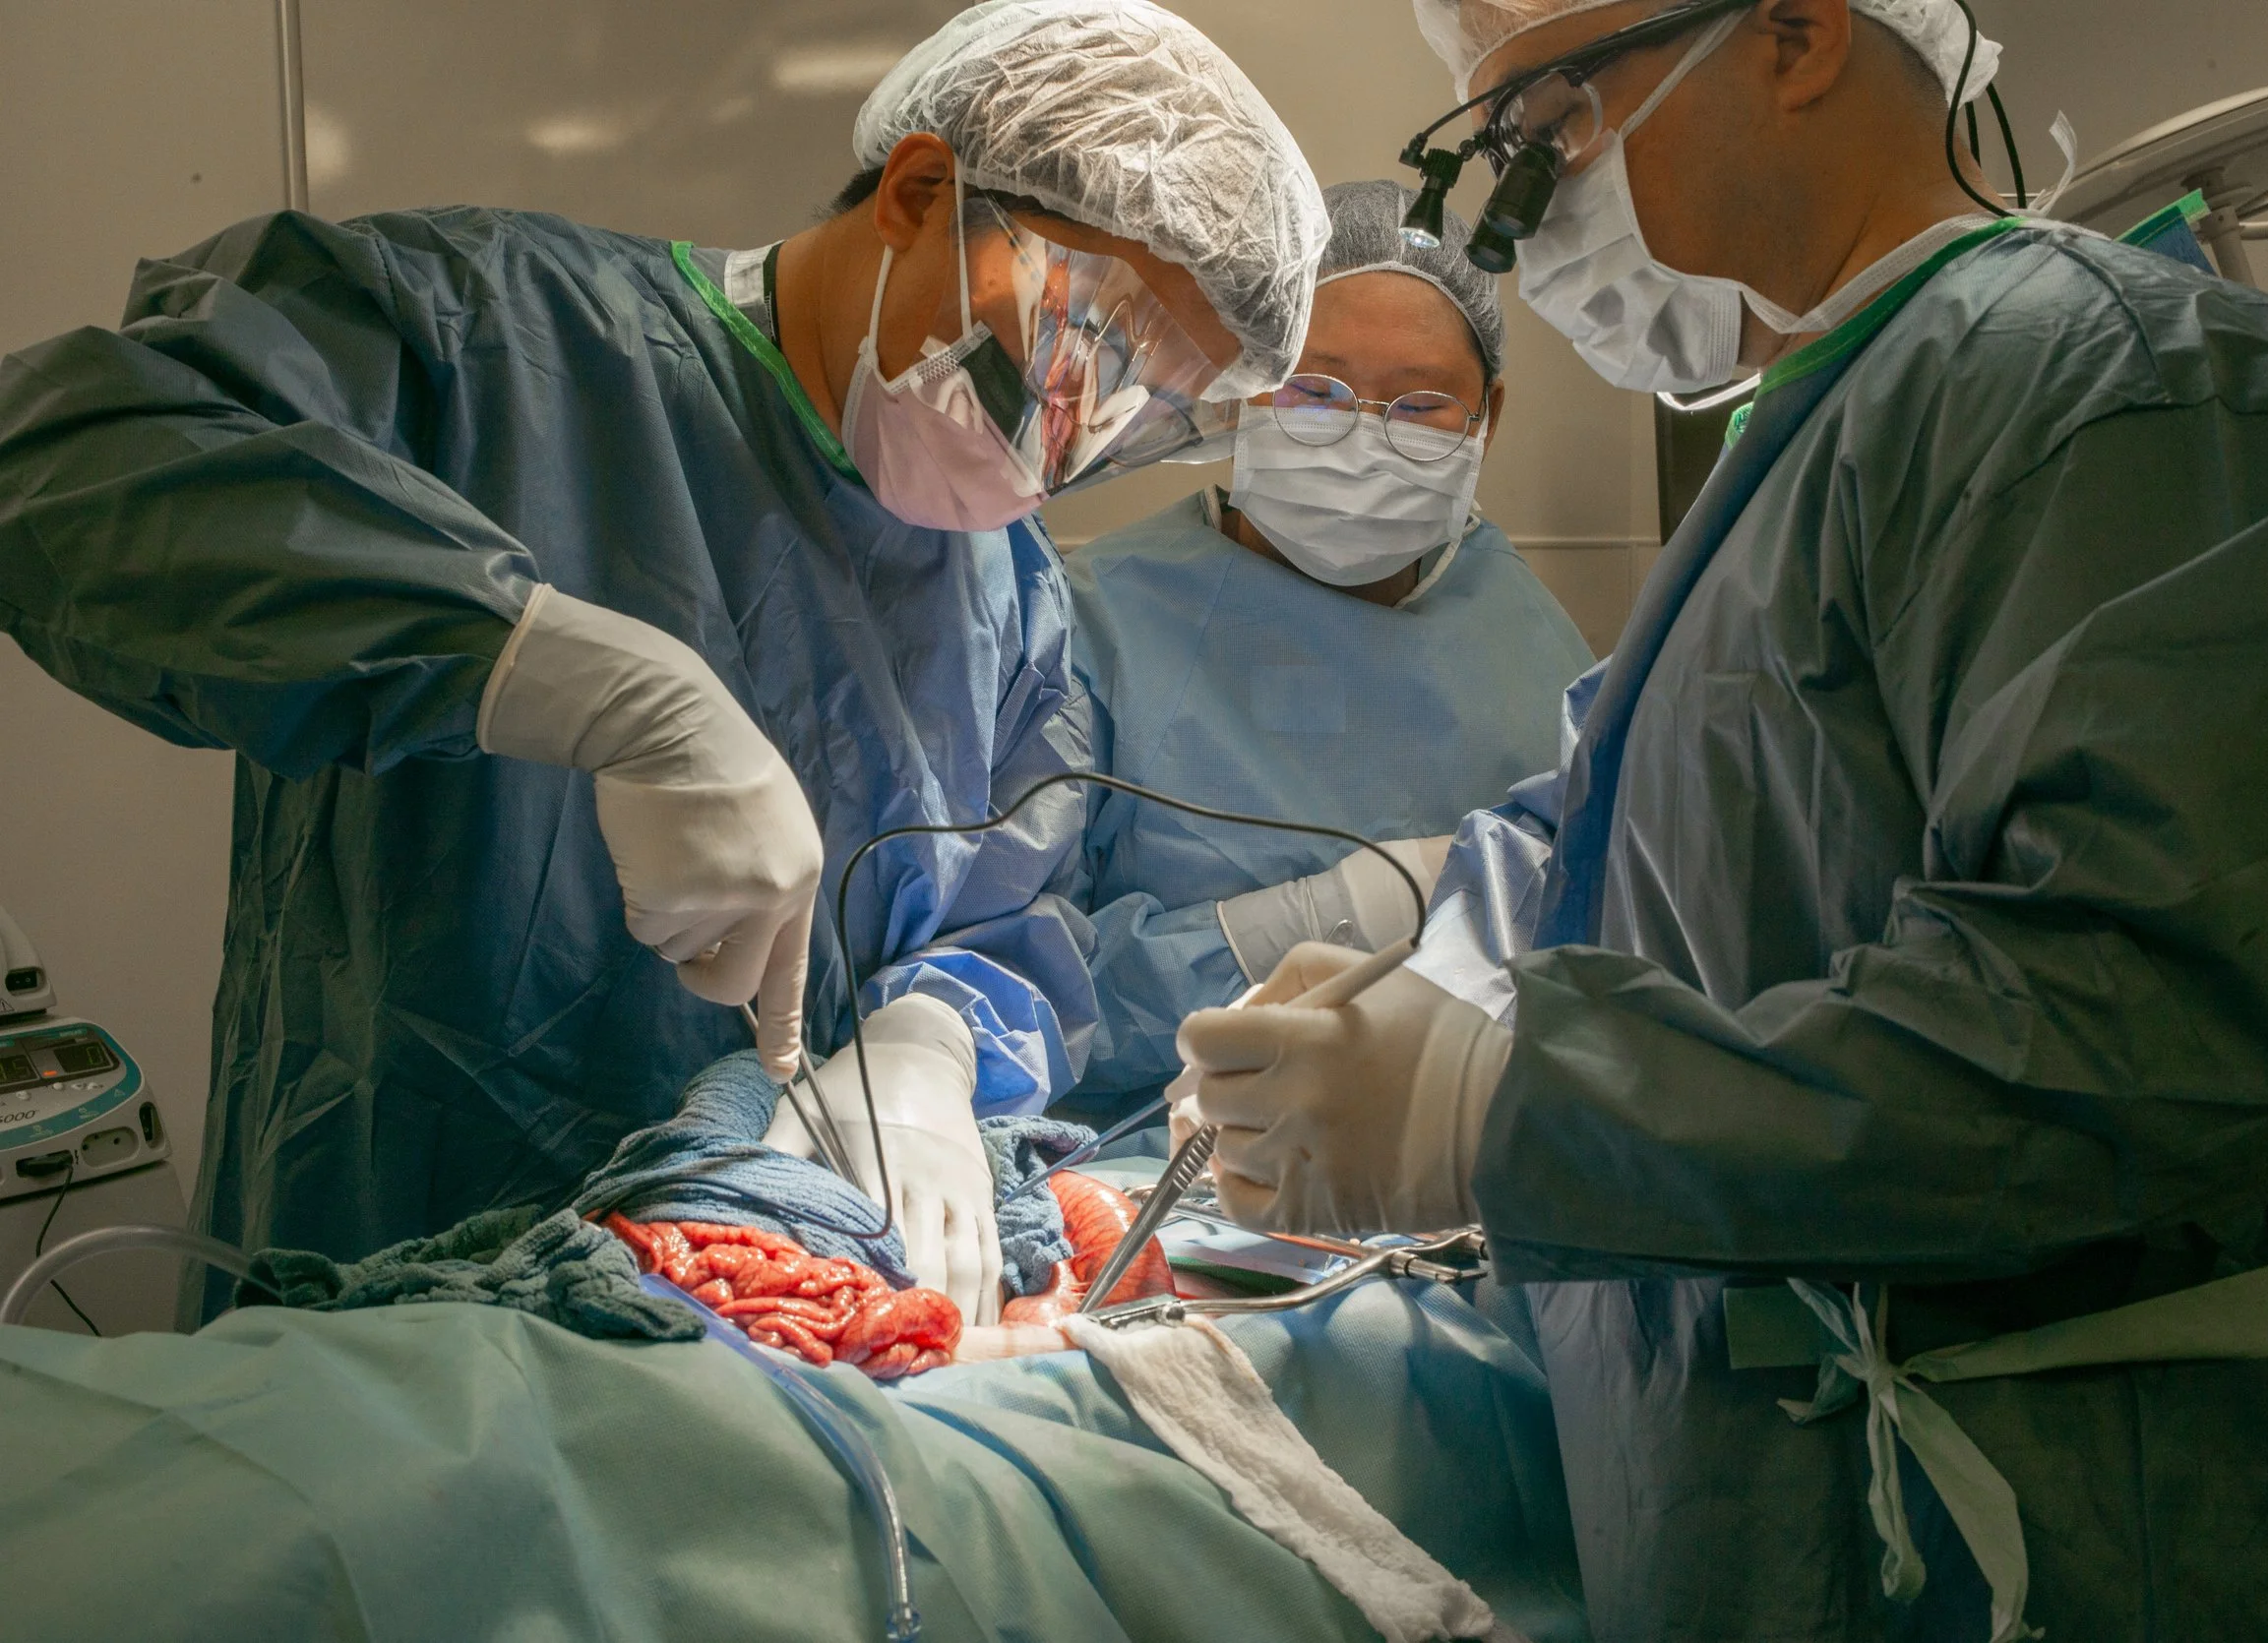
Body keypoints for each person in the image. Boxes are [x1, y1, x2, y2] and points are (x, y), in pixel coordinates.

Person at [1176, 0, 2268, 1637]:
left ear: (1789, 34)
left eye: (1550, 131)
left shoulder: (2152, 393)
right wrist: (1428, 985)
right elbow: (1658, 828)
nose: (1523, 215)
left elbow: (2141, 1037)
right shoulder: (1814, 443)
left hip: (2123, 1539)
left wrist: (1504, 1103)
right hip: (1802, 1528)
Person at [0, 0, 1326, 1328]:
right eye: (1085, 335)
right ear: (924, 192)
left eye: (1157, 409)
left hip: (773, 1339)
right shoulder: (484, 341)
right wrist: (547, 663)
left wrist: (929, 1042)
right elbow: (78, 471)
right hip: (389, 1308)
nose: (1077, 433)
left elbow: (1008, 913)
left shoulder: (1013, 590)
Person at [1057, 178, 1593, 1134]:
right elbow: (1016, 986)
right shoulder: (1093, 625)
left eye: (1420, 403)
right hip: (1145, 1174)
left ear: (1488, 419)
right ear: (1242, 384)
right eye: (1314, 389)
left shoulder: (1532, 643)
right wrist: (1330, 914)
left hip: (1458, 1175)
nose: (1358, 436)